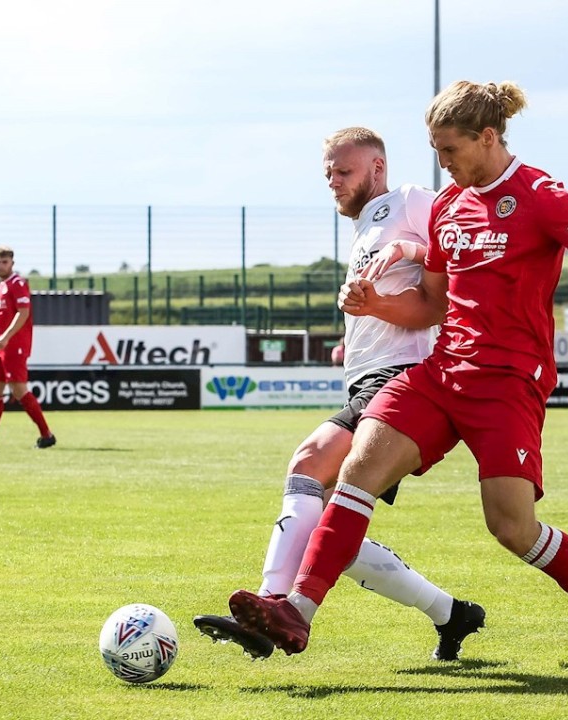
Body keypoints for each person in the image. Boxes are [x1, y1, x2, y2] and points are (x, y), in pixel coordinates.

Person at [227, 81, 568, 681]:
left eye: (450, 150)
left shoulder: (541, 195)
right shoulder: (448, 206)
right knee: (356, 470)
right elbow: (433, 304)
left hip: (508, 384)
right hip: (441, 373)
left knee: (512, 529)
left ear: (488, 137)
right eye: (436, 152)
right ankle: (296, 611)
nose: (443, 164)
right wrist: (377, 302)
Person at [193, 127, 484, 661]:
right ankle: (452, 614)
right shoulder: (367, 224)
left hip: (402, 378)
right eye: (328, 173)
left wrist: (409, 247)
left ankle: (272, 604)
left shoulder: (410, 200)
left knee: (308, 462)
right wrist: (352, 342)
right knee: (328, 532)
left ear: (377, 167)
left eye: (344, 171)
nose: (333, 181)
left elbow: (463, 252)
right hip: (370, 376)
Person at [0, 246, 56, 450]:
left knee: (18, 389)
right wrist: (2, 340)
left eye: (4, 262)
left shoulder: (18, 284)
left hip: (14, 345)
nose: (0, 266)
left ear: (12, 263)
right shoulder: (1, 287)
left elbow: (23, 313)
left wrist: (6, 337)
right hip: (1, 346)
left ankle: (47, 435)